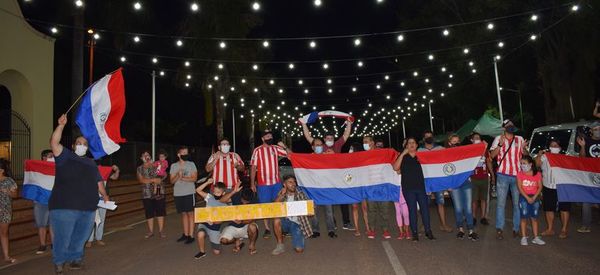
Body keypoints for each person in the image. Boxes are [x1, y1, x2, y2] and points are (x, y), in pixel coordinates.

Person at [49, 114, 109, 274]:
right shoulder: (64, 156)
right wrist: (61, 126)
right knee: (63, 236)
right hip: (64, 206)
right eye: (79, 143)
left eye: (85, 144)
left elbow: (98, 181)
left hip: (87, 208)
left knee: (80, 237)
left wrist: (105, 195)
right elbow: (54, 142)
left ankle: (76, 260)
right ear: (74, 146)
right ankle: (59, 262)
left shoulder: (91, 163)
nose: (82, 145)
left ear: (87, 148)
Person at [301, 118, 354, 231]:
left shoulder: (337, 145)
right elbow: (308, 137)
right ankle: (332, 223)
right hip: (325, 181)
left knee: (343, 200)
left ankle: (346, 222)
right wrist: (304, 124)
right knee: (329, 203)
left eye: (332, 138)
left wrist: (349, 123)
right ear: (324, 139)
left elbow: (346, 134)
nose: (330, 140)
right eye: (328, 138)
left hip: (338, 178)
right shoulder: (320, 147)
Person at [490, 119, 528, 240]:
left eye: (512, 125)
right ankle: (499, 229)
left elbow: (526, 156)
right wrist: (500, 145)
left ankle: (516, 229)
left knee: (517, 204)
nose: (510, 126)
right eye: (508, 125)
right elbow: (491, 156)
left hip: (517, 175)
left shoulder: (520, 139)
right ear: (504, 128)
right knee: (501, 204)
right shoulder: (498, 139)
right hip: (502, 175)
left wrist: (524, 149)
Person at [393, 137, 435, 242]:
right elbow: (395, 168)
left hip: (421, 187)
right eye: (409, 143)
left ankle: (428, 231)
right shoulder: (403, 156)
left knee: (425, 210)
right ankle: (415, 233)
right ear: (406, 146)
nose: (411, 144)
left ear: (417, 145)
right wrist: (402, 154)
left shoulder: (421, 156)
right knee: (412, 211)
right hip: (408, 188)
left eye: (413, 143)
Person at [250, 130, 288, 238]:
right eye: (267, 136)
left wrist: (284, 146)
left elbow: (290, 155)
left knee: (279, 203)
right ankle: (267, 228)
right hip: (263, 184)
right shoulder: (257, 150)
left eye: (271, 136)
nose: (270, 138)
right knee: (265, 205)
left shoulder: (275, 148)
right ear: (263, 138)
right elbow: (253, 167)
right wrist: (252, 183)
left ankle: (280, 226)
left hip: (276, 183)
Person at [194, 179, 239, 258]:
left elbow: (220, 221)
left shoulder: (224, 206)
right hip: (204, 223)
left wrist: (213, 222)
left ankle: (234, 239)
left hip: (215, 227)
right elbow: (197, 190)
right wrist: (207, 182)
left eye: (218, 192)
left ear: (223, 193)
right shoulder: (209, 197)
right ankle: (202, 252)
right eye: (214, 191)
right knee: (200, 234)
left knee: (217, 252)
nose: (215, 193)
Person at [446, 134, 479, 241]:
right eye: (454, 141)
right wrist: (448, 185)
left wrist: (481, 146)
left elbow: (475, 157)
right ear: (449, 143)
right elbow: (444, 171)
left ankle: (471, 230)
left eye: (458, 141)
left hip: (466, 183)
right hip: (453, 184)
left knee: (468, 208)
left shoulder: (464, 153)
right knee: (458, 208)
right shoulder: (445, 155)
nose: (456, 143)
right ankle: (461, 229)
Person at [418, 130, 452, 233]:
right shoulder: (420, 150)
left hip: (438, 181)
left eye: (430, 136)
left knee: (440, 202)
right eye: (427, 136)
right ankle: (425, 225)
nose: (429, 138)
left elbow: (450, 156)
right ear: (424, 139)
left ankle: (443, 224)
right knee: (425, 204)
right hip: (426, 181)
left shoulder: (440, 149)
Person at [536, 140, 570, 239]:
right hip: (548, 186)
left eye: (556, 145)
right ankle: (550, 229)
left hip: (562, 186)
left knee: (564, 208)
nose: (554, 147)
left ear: (560, 148)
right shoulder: (545, 156)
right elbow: (537, 165)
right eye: (551, 145)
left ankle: (564, 230)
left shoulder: (565, 157)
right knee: (549, 208)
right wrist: (539, 155)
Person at [271, 175, 313, 255]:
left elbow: (310, 208)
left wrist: (311, 210)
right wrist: (281, 196)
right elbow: (273, 207)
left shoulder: (300, 193)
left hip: (297, 223)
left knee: (299, 250)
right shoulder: (282, 193)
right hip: (285, 221)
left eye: (294, 182)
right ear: (284, 184)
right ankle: (280, 245)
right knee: (276, 219)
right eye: (290, 182)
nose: (293, 184)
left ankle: (296, 234)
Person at [363, 136, 392, 239]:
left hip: (383, 186)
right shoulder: (363, 156)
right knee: (371, 210)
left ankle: (385, 230)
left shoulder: (381, 153)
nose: (365, 144)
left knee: (384, 209)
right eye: (364, 142)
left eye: (366, 141)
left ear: (372, 143)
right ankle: (372, 230)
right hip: (370, 187)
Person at [308, 138, 336, 238]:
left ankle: (331, 230)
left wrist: (334, 155)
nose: (319, 146)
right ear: (313, 147)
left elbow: (338, 162)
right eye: (317, 145)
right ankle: (315, 230)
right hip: (314, 189)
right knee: (313, 211)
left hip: (326, 188)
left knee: (329, 211)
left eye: (320, 144)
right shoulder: (309, 158)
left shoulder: (327, 156)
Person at [86, 164, 120, 247]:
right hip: (91, 198)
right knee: (90, 220)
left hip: (103, 199)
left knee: (101, 219)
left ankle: (99, 238)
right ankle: (89, 240)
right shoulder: (87, 170)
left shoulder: (105, 171)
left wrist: (117, 170)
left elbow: (115, 177)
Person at [170, 146, 198, 244]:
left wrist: (183, 178)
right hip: (178, 193)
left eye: (187, 153)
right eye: (184, 153)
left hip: (189, 192)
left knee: (190, 213)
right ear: (179, 154)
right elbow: (172, 181)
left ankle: (191, 235)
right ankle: (185, 234)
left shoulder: (191, 164)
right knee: (183, 214)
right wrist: (178, 175)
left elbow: (194, 178)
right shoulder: (174, 166)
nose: (186, 155)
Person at [576, 121, 600, 233]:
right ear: (591, 131)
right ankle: (586, 225)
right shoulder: (587, 141)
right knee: (587, 199)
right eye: (595, 129)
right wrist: (583, 146)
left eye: (599, 128)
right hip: (590, 175)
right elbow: (582, 157)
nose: (598, 130)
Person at [219, 188, 258, 255]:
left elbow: (252, 219)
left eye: (247, 202)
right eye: (243, 201)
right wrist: (233, 192)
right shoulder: (236, 196)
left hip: (246, 225)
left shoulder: (254, 200)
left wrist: (242, 222)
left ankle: (252, 245)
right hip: (233, 225)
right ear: (241, 197)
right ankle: (237, 240)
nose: (245, 204)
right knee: (223, 241)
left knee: (253, 227)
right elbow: (221, 200)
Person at [138, 151, 167, 239]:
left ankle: (161, 231)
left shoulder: (156, 165)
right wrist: (153, 180)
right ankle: (150, 231)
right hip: (146, 193)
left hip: (158, 191)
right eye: (144, 155)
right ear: (141, 158)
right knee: (149, 212)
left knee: (160, 211)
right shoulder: (140, 168)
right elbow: (141, 180)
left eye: (148, 155)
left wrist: (160, 177)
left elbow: (164, 175)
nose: (147, 156)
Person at [517, 156, 545, 246]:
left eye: (524, 163)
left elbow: (540, 187)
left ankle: (536, 237)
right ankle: (524, 237)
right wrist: (527, 198)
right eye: (521, 163)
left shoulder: (537, 174)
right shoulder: (520, 174)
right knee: (524, 217)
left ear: (530, 164)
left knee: (534, 218)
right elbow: (520, 187)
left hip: (535, 198)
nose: (522, 165)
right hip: (524, 197)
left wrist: (534, 197)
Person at [470, 133, 493, 226]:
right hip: (473, 178)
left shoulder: (485, 150)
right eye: (475, 138)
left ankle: (483, 217)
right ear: (472, 140)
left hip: (484, 177)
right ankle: (474, 217)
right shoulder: (469, 150)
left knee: (484, 199)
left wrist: (492, 175)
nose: (477, 139)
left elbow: (488, 162)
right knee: (474, 199)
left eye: (478, 138)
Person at [34, 149, 54, 255]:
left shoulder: (56, 168)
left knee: (52, 223)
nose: (52, 158)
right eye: (50, 156)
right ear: (44, 157)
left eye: (53, 156)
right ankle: (42, 244)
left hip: (53, 200)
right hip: (40, 201)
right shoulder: (37, 169)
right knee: (41, 224)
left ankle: (53, 243)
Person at [348, 143, 370, 237]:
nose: (350, 150)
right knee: (354, 207)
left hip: (362, 187)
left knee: (364, 208)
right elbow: (346, 174)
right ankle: (357, 229)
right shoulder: (348, 161)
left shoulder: (363, 160)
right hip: (353, 187)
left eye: (352, 148)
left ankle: (367, 227)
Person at [0, 159, 17, 263]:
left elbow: (15, 195)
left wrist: (7, 191)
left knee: (4, 233)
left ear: (1, 170)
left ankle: (6, 256)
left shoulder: (8, 181)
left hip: (5, 209)